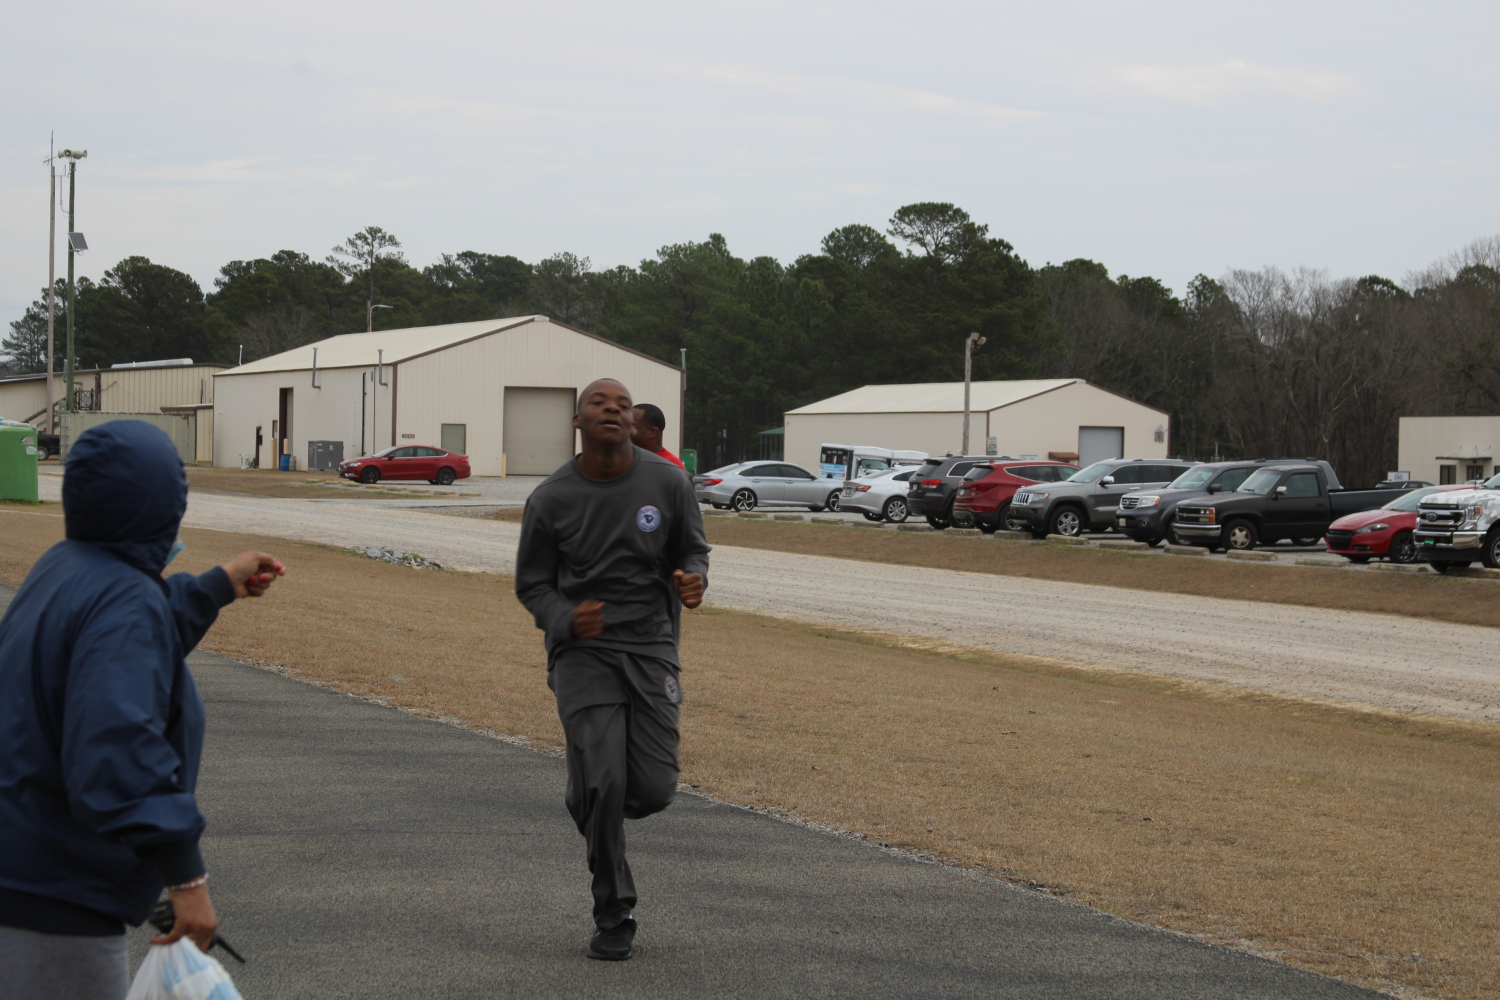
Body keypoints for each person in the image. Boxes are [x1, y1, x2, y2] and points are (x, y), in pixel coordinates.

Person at [0, 421, 285, 1000]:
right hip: (54, 903)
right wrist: (186, 876)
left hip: (20, 871)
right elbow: (118, 745)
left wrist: (215, 586)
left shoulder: (66, 566)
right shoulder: (125, 600)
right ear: (160, 507)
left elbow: (119, 641)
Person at [516, 379, 709, 961]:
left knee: (650, 791)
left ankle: (590, 793)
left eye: (622, 405)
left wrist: (693, 579)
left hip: (650, 646)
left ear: (634, 422)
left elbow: (692, 549)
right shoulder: (551, 498)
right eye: (599, 403)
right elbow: (533, 585)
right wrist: (566, 619)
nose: (612, 410)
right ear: (577, 420)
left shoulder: (668, 482)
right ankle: (614, 912)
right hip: (583, 651)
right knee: (605, 781)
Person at [630, 402, 686, 470]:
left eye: (631, 427)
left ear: (653, 432)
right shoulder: (624, 461)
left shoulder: (672, 466)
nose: (624, 431)